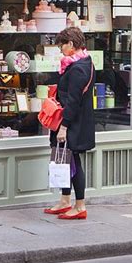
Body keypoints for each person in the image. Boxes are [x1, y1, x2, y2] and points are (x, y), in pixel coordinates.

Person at [44, 27, 95, 220]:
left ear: (71, 45)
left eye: (62, 46)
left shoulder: (78, 69)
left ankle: (80, 205)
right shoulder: (83, 63)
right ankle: (65, 200)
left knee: (74, 163)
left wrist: (64, 127)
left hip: (73, 123)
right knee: (65, 161)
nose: (60, 50)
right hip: (72, 121)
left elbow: (73, 101)